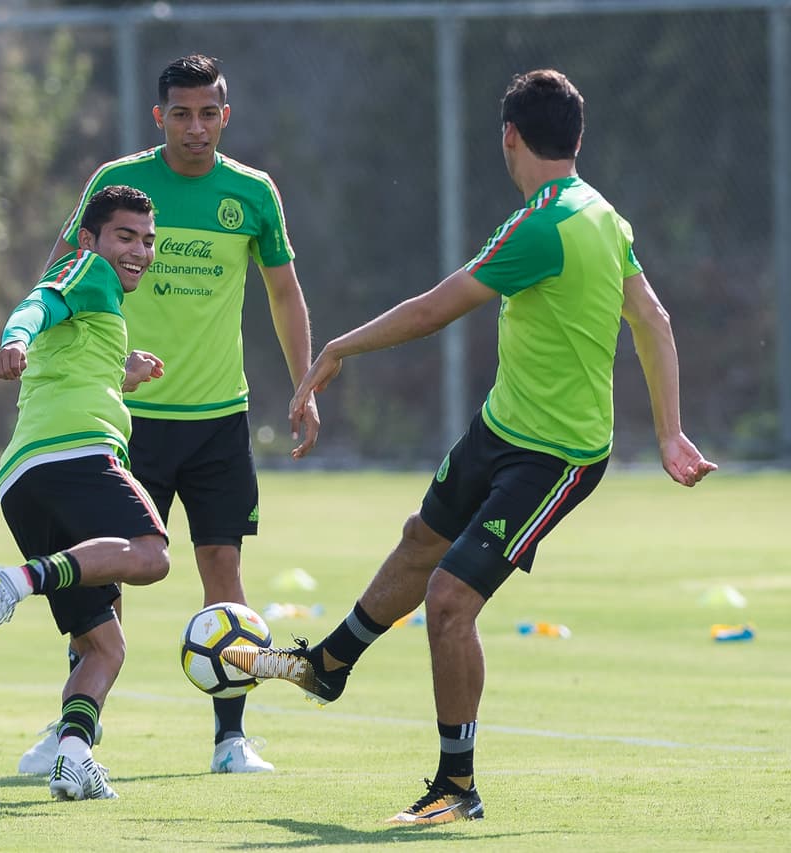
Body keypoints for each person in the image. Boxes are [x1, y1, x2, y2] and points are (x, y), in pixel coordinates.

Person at [223, 68, 716, 825]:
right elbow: (652, 318)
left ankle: (457, 786)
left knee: (450, 600)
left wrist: (338, 352)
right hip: (501, 428)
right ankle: (328, 665)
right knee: (420, 540)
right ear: (577, 138)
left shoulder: (543, 224)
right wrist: (671, 429)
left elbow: (431, 310)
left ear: (510, 137)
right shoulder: (602, 214)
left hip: (558, 457)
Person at [16, 53, 319, 778]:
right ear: (160, 118)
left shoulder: (251, 194)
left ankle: (231, 739)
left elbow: (283, 293)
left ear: (225, 115)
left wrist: (305, 384)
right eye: (180, 114)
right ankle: (70, 733)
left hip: (219, 419)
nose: (195, 127)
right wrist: (45, 349)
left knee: (223, 569)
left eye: (208, 113)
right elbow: (59, 272)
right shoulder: (119, 186)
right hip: (124, 419)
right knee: (101, 580)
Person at [0, 185, 170, 801]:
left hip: (28, 478)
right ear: (90, 238)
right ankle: (15, 581)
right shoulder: (88, 271)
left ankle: (73, 756)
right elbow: (38, 302)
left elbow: (70, 367)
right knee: (153, 553)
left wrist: (121, 376)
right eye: (124, 236)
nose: (137, 251)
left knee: (103, 646)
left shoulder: (103, 301)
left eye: (147, 240)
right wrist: (16, 340)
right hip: (75, 454)